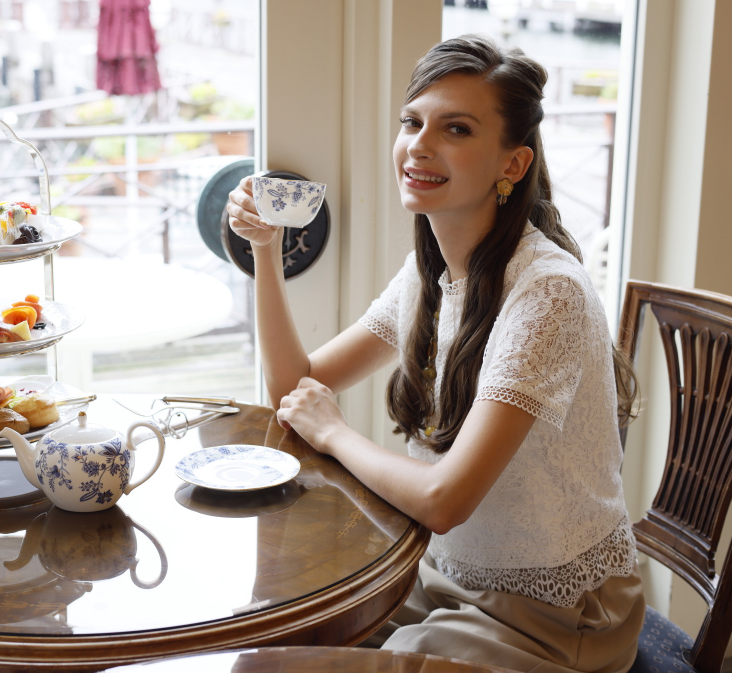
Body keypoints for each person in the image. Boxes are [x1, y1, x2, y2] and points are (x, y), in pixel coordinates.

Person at [225, 34, 645, 672]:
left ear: (513, 164)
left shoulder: (547, 292)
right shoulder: (431, 274)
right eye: (411, 122)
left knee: (266, 669)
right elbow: (295, 387)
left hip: (554, 616)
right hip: (440, 576)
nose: (420, 145)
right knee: (266, 634)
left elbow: (445, 501)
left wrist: (333, 432)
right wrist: (264, 249)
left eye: (456, 129)